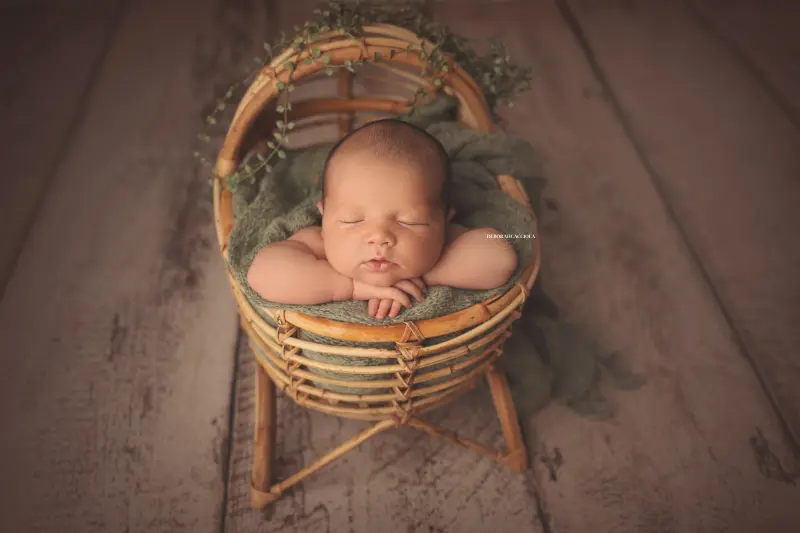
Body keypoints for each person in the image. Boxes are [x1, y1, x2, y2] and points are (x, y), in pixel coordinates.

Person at [246, 118, 517, 320]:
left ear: (444, 220)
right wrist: (350, 286)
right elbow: (261, 274)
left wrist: (426, 273)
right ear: (324, 216)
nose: (380, 237)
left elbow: (500, 259)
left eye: (409, 222)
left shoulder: (442, 243)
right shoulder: (318, 243)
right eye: (352, 220)